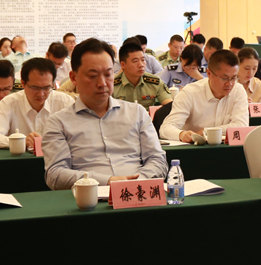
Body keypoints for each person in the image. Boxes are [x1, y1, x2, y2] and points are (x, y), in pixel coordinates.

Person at [42, 38, 168, 189]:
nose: (102, 83)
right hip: (89, 198)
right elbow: (55, 175)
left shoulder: (137, 113)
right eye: (93, 76)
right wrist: (108, 182)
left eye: (108, 74)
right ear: (74, 78)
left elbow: (157, 159)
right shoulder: (58, 122)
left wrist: (136, 182)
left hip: (138, 194)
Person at [161, 49, 249, 143]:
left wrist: (206, 131)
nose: (230, 84)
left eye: (234, 78)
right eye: (224, 78)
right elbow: (166, 128)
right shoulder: (189, 93)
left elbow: (242, 125)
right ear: (209, 73)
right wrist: (181, 134)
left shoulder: (238, 90)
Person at [0, 58, 73, 151]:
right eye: (35, 88)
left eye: (47, 88)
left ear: (53, 84)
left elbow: (79, 137)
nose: (41, 94)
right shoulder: (9, 103)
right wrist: (20, 141)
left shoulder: (65, 102)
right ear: (23, 83)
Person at [113, 40, 172, 109]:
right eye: (135, 61)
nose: (141, 65)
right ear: (123, 65)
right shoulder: (113, 86)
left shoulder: (155, 82)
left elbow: (169, 106)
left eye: (143, 60)